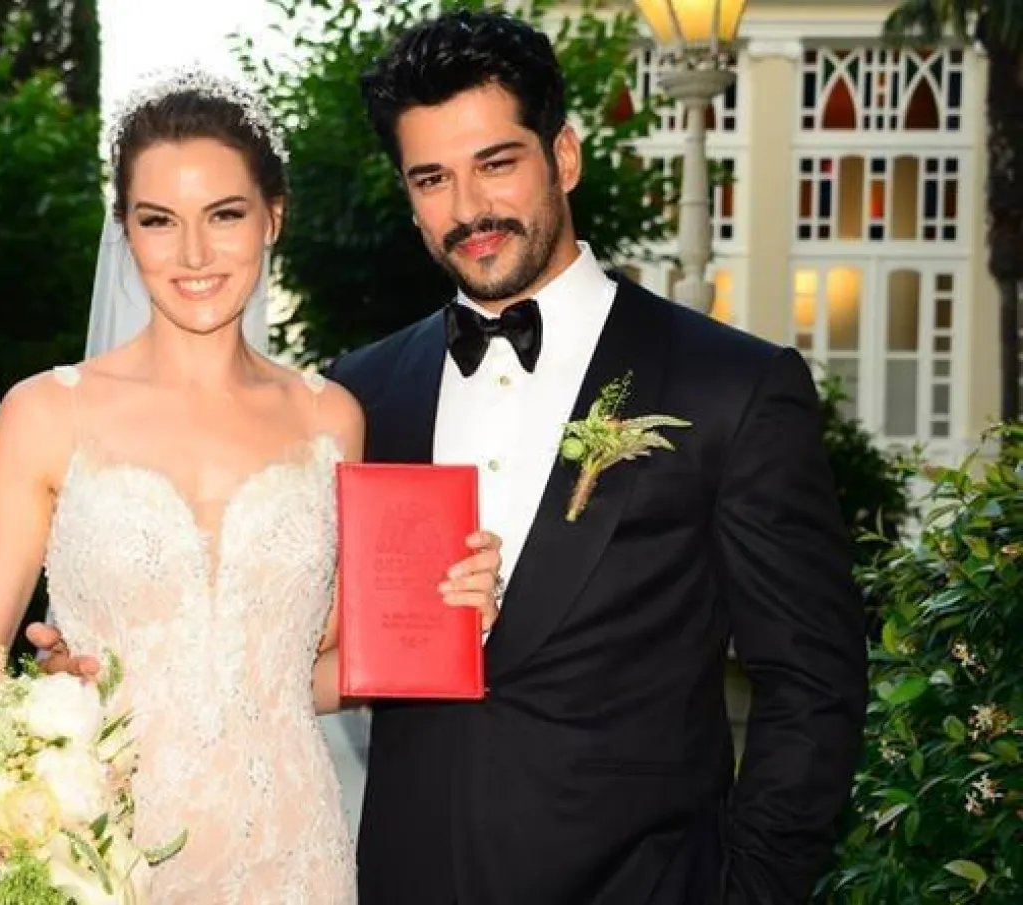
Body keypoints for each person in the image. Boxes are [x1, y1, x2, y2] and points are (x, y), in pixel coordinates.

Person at [0, 70, 503, 904]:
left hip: (294, 855)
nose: (193, 254)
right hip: (103, 855)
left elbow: (318, 671)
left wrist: (452, 615)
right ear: (125, 229)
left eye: (224, 215)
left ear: (272, 217)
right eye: (159, 220)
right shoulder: (43, 415)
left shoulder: (331, 418)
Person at [325, 10, 868, 905]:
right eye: (432, 178)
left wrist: (747, 890)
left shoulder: (730, 385)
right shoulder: (361, 393)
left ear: (564, 157)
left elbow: (813, 678)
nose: (468, 209)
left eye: (496, 163)